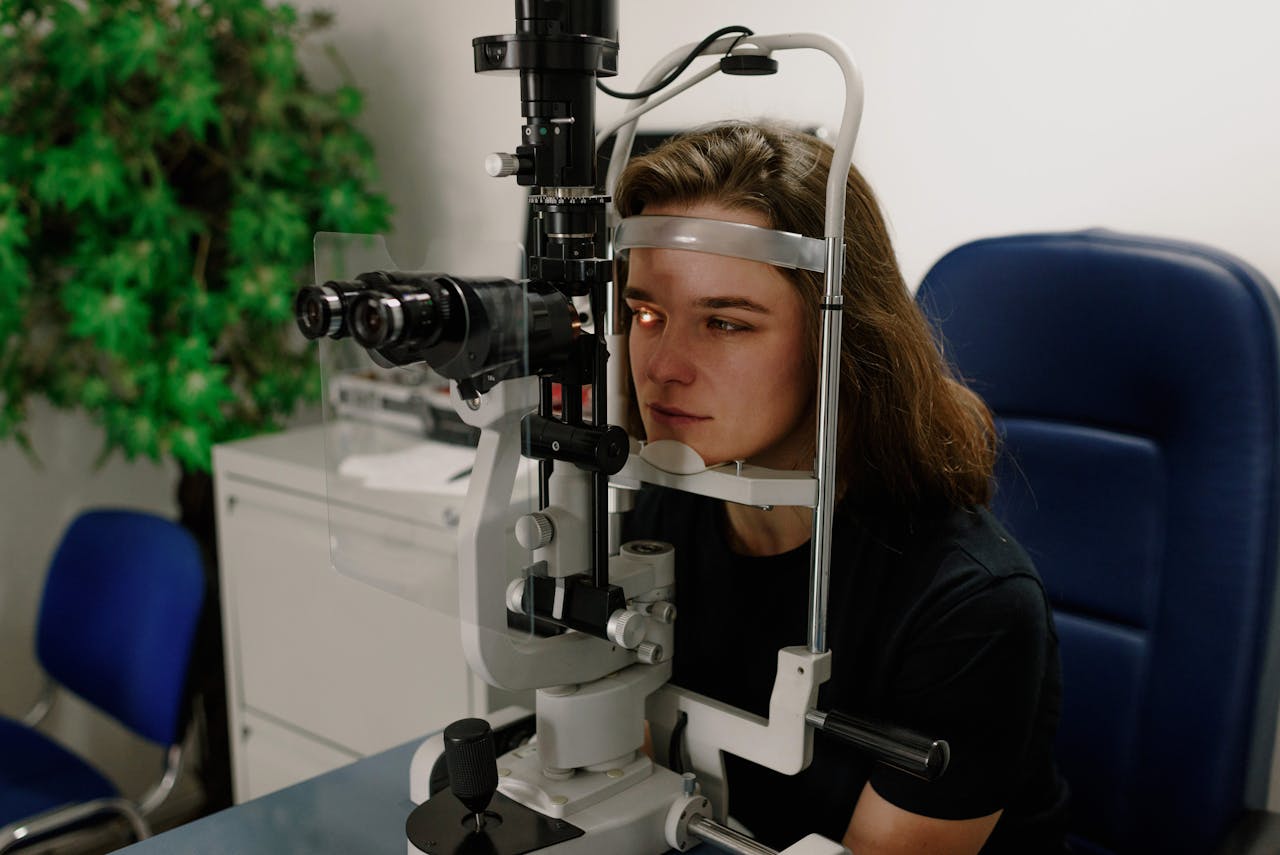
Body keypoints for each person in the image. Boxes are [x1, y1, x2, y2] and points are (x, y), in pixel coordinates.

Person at [614, 122, 1070, 854]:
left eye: (725, 322)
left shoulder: (970, 605)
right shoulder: (657, 514)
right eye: (646, 314)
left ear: (843, 336)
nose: (664, 365)